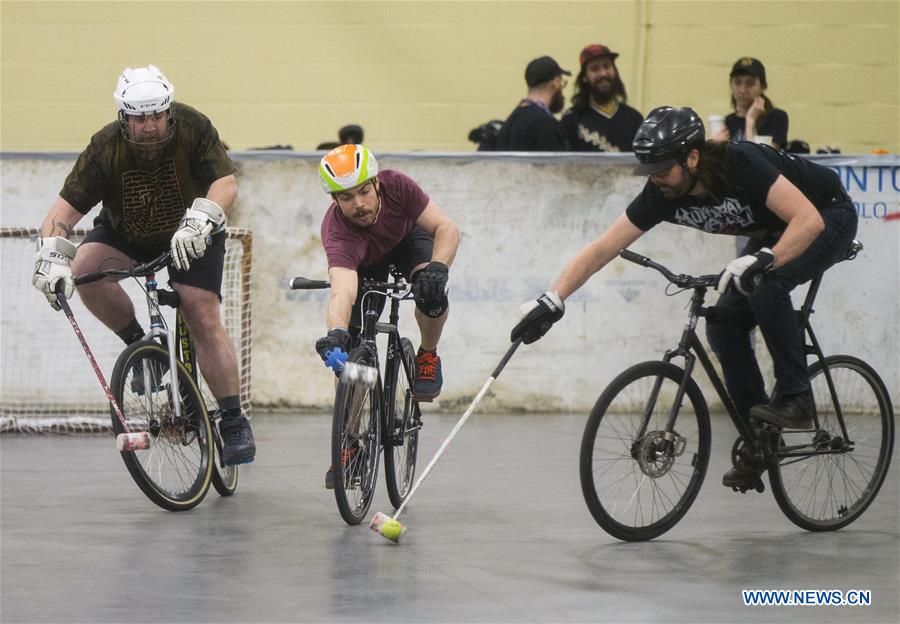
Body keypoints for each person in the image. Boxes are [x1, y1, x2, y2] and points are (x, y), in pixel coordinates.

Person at [510, 106, 858, 490]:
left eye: (662, 168)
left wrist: (764, 258)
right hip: (775, 230)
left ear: (692, 157)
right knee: (723, 325)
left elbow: (808, 221)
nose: (655, 178)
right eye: (650, 170)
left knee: (768, 286)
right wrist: (552, 300)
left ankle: (797, 396)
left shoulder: (739, 163)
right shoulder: (662, 192)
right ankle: (762, 437)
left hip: (827, 215)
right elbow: (601, 249)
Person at [30, 65, 255, 466]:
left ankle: (233, 419)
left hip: (193, 231)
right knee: (84, 267)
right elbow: (62, 213)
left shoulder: (192, 126)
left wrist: (204, 216)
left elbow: (225, 183)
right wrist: (50, 256)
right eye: (138, 117)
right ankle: (140, 345)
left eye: (156, 115)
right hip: (126, 234)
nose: (149, 126)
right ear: (124, 117)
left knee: (200, 312)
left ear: (168, 112)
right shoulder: (104, 147)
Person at [315, 144, 460, 488]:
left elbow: (445, 228)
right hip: (366, 263)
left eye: (365, 191)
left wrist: (437, 269)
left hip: (409, 240)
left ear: (377, 183)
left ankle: (427, 354)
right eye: (347, 198)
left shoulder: (398, 186)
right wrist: (335, 333)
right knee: (353, 356)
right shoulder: (338, 231)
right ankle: (351, 442)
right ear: (334, 201)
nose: (359, 204)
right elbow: (342, 291)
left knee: (431, 293)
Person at [560, 44, 643, 152]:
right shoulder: (571, 119)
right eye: (595, 69)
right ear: (584, 77)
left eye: (607, 66)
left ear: (615, 71)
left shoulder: (634, 119)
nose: (603, 73)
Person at [494, 56, 570, 151]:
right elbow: (556, 165)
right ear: (556, 82)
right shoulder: (545, 125)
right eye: (562, 82)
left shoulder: (511, 121)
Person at [713, 57, 789, 149]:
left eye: (750, 83)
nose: (743, 90)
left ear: (763, 87)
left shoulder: (776, 117)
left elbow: (763, 159)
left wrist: (750, 121)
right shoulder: (728, 122)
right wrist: (713, 146)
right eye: (737, 83)